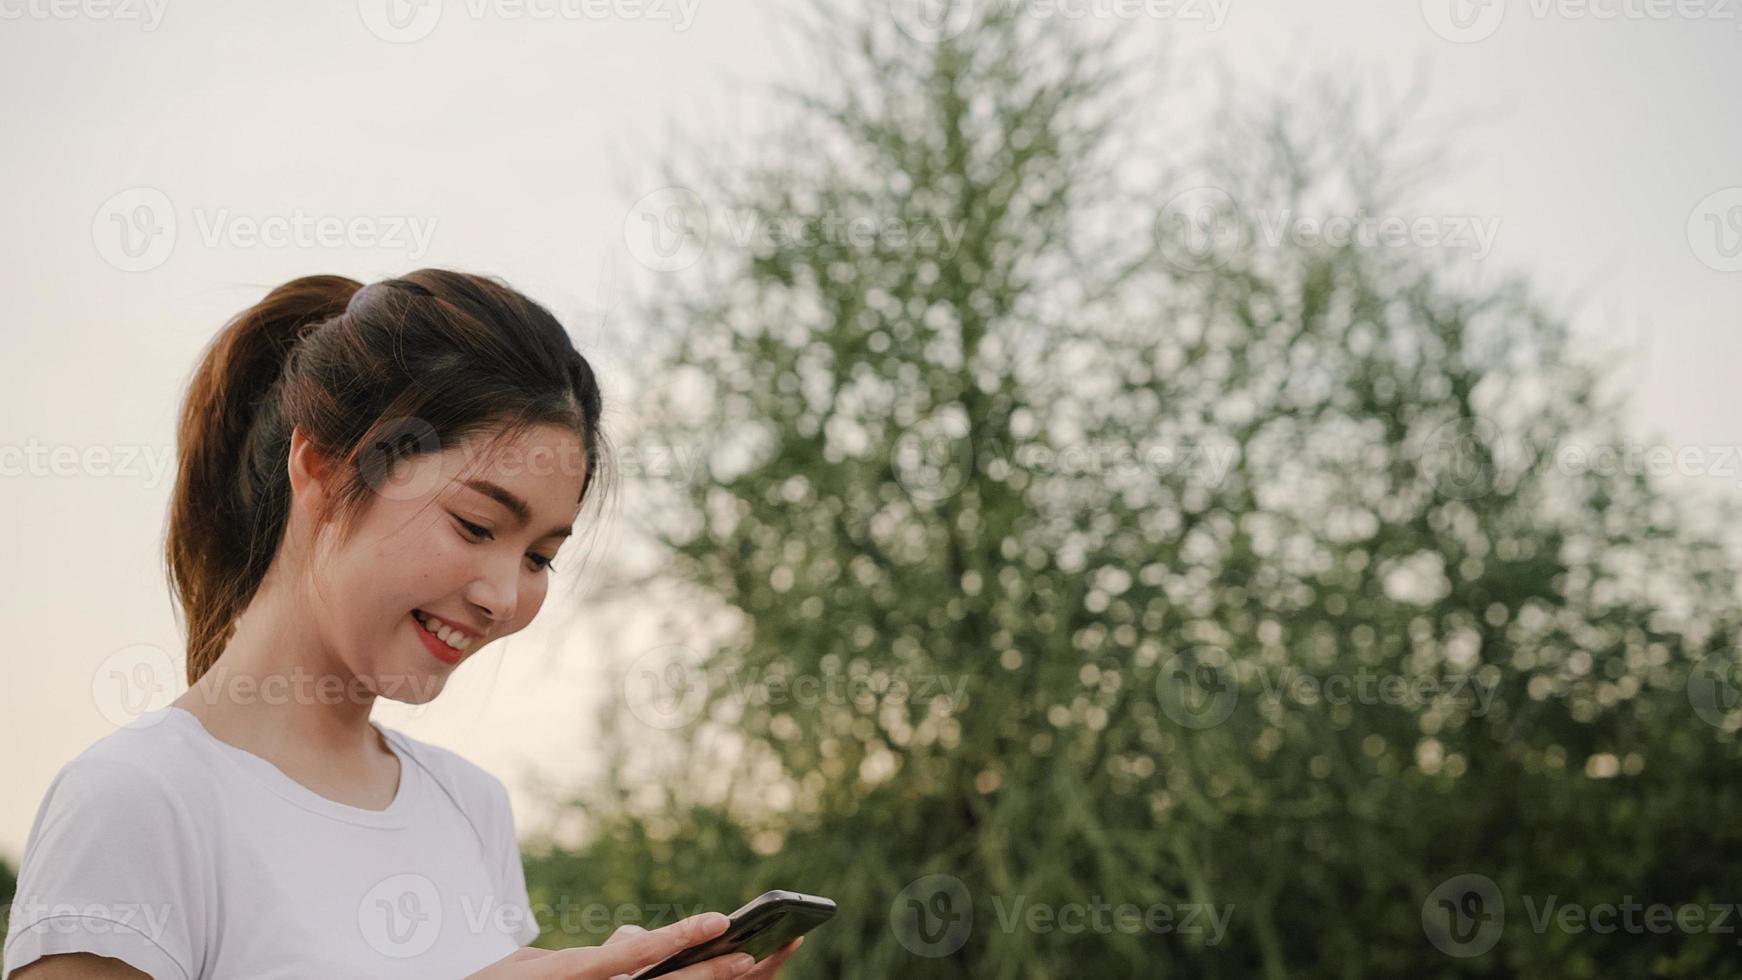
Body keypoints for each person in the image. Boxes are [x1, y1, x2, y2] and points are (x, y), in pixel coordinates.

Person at [3, 271, 801, 980]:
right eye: (477, 525)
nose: (504, 598)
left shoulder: (468, 807)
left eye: (541, 558)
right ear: (322, 469)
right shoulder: (138, 800)